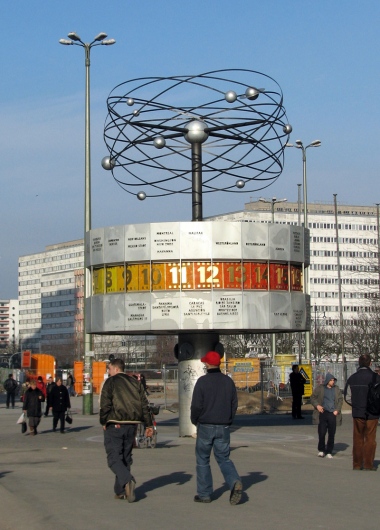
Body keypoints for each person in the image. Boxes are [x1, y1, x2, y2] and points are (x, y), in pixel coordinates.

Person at [190, 351, 243, 505]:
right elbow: (234, 403)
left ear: (207, 364)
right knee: (224, 458)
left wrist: (195, 421)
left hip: (205, 424)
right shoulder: (228, 382)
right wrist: (229, 420)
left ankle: (205, 494)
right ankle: (234, 482)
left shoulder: (202, 382)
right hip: (223, 425)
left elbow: (196, 406)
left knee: (202, 459)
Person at [99, 358, 153, 502]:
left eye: (109, 369)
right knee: (125, 457)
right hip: (132, 424)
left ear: (116, 369)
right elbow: (144, 405)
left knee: (113, 458)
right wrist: (149, 425)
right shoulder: (135, 383)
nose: (108, 372)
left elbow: (105, 404)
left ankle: (127, 480)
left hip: (115, 423)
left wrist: (104, 420)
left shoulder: (110, 382)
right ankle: (121, 490)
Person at [344, 353, 380, 471]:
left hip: (358, 412)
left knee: (358, 438)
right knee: (370, 438)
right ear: (370, 363)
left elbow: (347, 397)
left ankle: (357, 464)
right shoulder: (376, 377)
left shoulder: (352, 378)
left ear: (359, 363)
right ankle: (368, 464)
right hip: (373, 413)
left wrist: (356, 405)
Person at [310, 373, 343, 459]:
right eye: (331, 380)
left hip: (332, 413)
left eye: (333, 380)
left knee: (331, 433)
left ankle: (329, 451)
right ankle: (321, 450)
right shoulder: (320, 389)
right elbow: (313, 398)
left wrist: (337, 410)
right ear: (327, 380)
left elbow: (340, 400)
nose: (332, 382)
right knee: (322, 432)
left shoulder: (336, 389)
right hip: (323, 412)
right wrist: (317, 405)